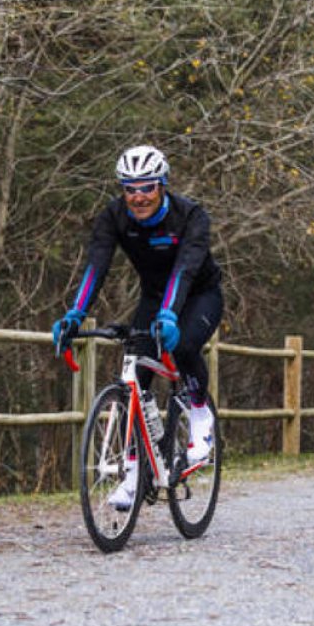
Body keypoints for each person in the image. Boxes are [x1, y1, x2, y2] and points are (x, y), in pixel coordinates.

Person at [52, 145, 223, 510]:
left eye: (147, 187)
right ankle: (133, 474)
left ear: (162, 185)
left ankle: (198, 412)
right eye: (130, 188)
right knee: (134, 379)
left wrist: (170, 314)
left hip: (199, 294)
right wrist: (75, 314)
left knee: (185, 346)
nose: (138, 196)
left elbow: (185, 270)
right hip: (154, 297)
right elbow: (96, 266)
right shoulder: (114, 217)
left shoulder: (190, 216)